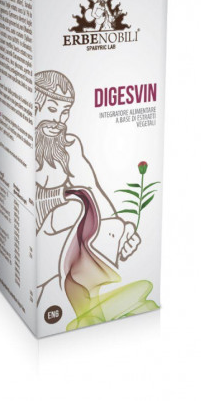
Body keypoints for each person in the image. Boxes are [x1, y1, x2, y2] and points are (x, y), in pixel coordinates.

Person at [34, 70, 140, 304]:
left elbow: (92, 188)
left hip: (60, 234)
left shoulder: (68, 147)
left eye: (64, 112)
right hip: (33, 233)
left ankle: (94, 302)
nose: (58, 121)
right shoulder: (22, 143)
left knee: (99, 219)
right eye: (51, 109)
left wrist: (121, 229)